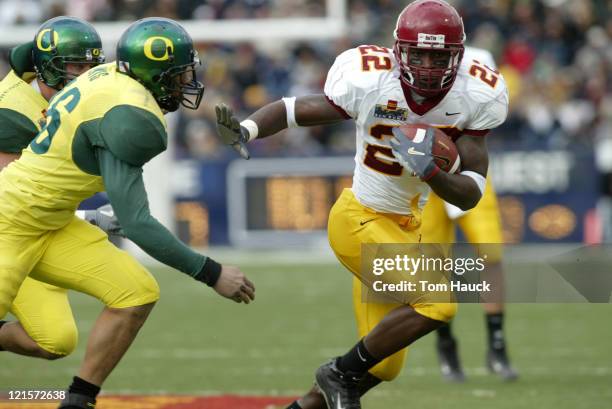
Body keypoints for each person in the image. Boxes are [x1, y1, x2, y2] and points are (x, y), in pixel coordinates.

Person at [215, 1, 508, 408]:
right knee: (438, 304)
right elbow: (294, 109)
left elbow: (471, 192)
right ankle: (335, 373)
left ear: (457, 56)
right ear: (398, 50)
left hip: (406, 228)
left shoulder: (477, 92)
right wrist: (246, 129)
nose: (426, 64)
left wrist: (431, 173)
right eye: (418, 53)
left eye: (437, 55)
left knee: (382, 366)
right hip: (360, 219)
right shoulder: (370, 79)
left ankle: (307, 400)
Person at [0, 17, 255, 409]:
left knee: (135, 293)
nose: (184, 85)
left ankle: (78, 400)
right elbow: (135, 222)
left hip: (51, 222)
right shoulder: (126, 113)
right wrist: (212, 272)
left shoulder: (108, 77)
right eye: (177, 76)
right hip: (8, 222)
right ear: (154, 74)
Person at [0, 16, 121, 361]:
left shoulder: (67, 98)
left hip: (41, 230)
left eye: (89, 65)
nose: (84, 75)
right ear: (46, 68)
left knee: (55, 341)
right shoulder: (11, 110)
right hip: (8, 231)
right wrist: (90, 218)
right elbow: (9, 202)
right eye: (75, 65)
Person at [421, 46, 518, 383]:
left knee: (490, 254)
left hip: (469, 172)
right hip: (426, 179)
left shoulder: (481, 59)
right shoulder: (403, 65)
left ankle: (497, 344)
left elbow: (489, 118)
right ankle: (446, 346)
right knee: (434, 265)